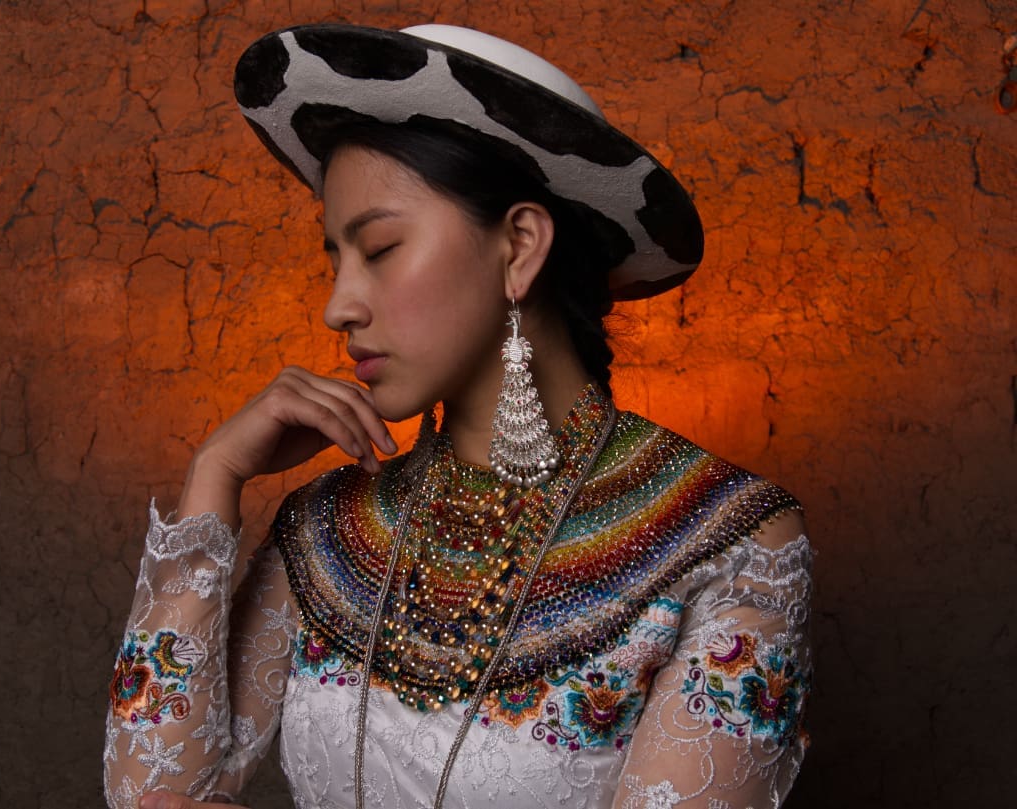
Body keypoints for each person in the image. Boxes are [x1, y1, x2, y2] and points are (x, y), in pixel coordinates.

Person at [104, 23, 812, 809]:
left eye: (378, 249)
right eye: (333, 260)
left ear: (518, 248)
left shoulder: (729, 543)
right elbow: (156, 794)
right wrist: (215, 478)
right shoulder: (328, 533)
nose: (338, 305)